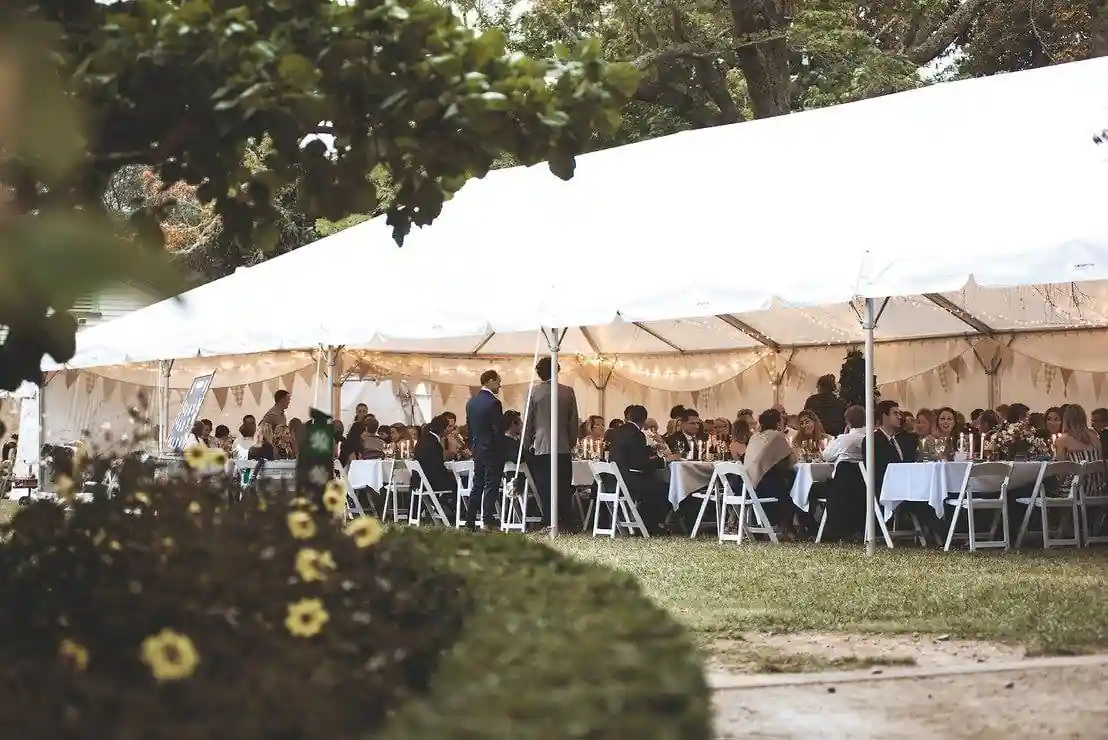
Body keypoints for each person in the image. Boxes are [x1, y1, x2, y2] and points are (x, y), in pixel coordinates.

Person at [523, 356, 580, 529]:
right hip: (562, 446)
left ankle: (549, 520)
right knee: (563, 485)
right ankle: (566, 521)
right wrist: (571, 442)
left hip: (541, 446)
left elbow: (528, 421)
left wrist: (526, 444)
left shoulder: (533, 392)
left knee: (544, 486)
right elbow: (573, 421)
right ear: (557, 370)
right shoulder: (568, 391)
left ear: (539, 373)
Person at [743, 408, 808, 539]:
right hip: (762, 486)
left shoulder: (755, 436)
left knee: (789, 480)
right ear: (778, 422)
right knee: (794, 485)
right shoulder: (776, 436)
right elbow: (791, 461)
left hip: (748, 485)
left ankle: (789, 527)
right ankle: (791, 527)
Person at [607, 404, 672, 533]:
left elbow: (628, 453)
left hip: (613, 480)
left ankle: (645, 523)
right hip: (629, 480)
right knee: (666, 488)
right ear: (644, 420)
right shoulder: (637, 434)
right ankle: (650, 526)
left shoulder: (614, 432)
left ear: (627, 416)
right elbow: (641, 465)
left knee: (654, 484)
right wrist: (664, 461)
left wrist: (647, 450)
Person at [820, 405, 867, 541]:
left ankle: (817, 527)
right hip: (863, 485)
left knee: (815, 489)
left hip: (842, 486)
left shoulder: (844, 439)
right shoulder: (870, 437)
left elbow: (826, 455)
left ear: (848, 422)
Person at [464, 370, 504, 531]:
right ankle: (487, 520)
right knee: (491, 485)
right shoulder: (494, 403)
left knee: (477, 484)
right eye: (498, 382)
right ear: (490, 381)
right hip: (492, 449)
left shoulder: (471, 402)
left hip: (477, 448)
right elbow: (497, 429)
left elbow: (469, 429)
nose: (500, 385)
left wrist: (472, 447)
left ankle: (470, 520)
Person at [412, 413, 458, 515]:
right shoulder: (434, 443)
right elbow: (437, 467)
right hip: (429, 481)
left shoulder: (424, 439)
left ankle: (444, 507)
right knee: (458, 483)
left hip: (418, 481)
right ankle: (454, 512)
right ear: (444, 429)